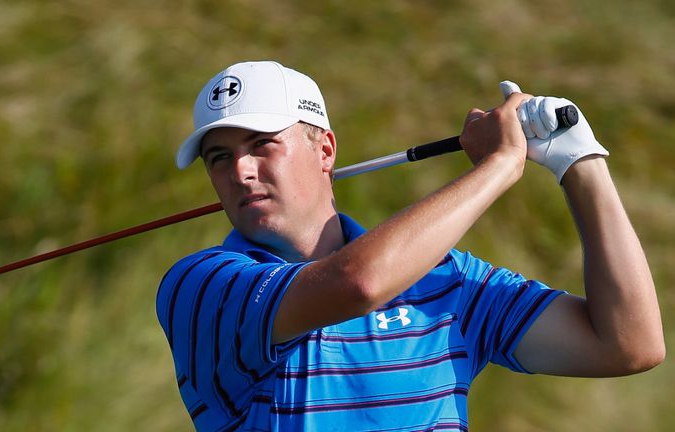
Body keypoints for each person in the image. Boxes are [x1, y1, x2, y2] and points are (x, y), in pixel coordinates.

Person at [155, 60, 664, 431]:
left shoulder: (448, 281)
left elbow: (629, 345)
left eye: (262, 145)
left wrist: (581, 163)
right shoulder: (199, 287)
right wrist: (502, 165)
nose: (240, 171)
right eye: (219, 158)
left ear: (325, 149)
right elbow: (357, 283)